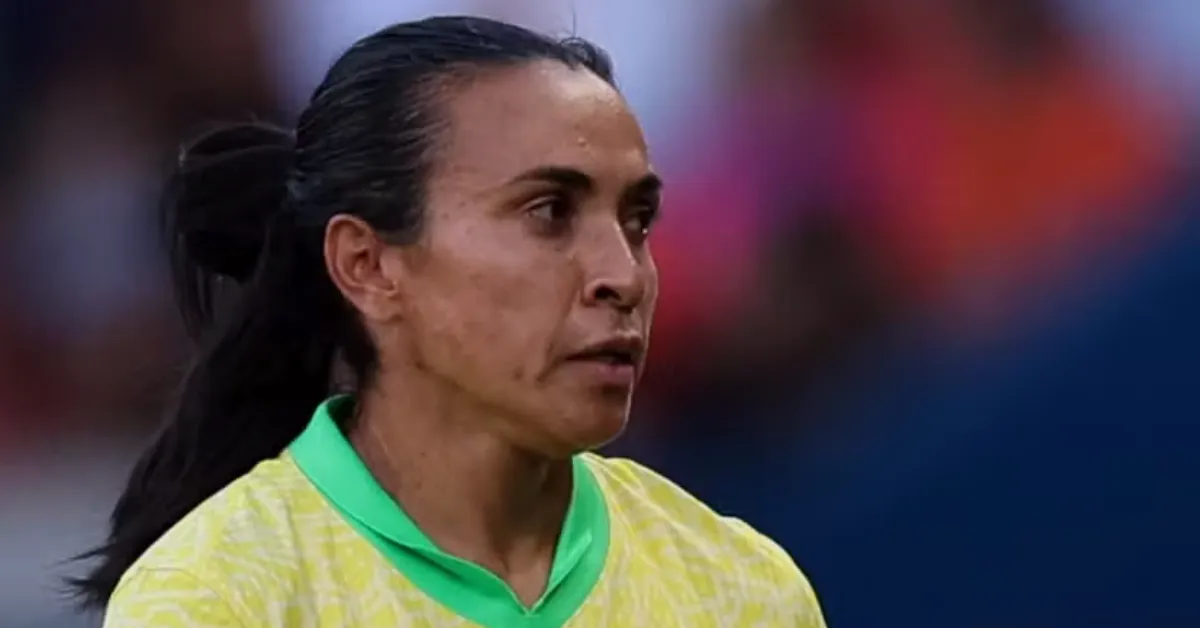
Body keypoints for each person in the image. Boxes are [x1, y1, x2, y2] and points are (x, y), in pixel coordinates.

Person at [71, 16, 826, 627]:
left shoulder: (740, 594)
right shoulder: (218, 600)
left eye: (637, 221)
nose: (623, 276)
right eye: (549, 212)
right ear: (367, 264)